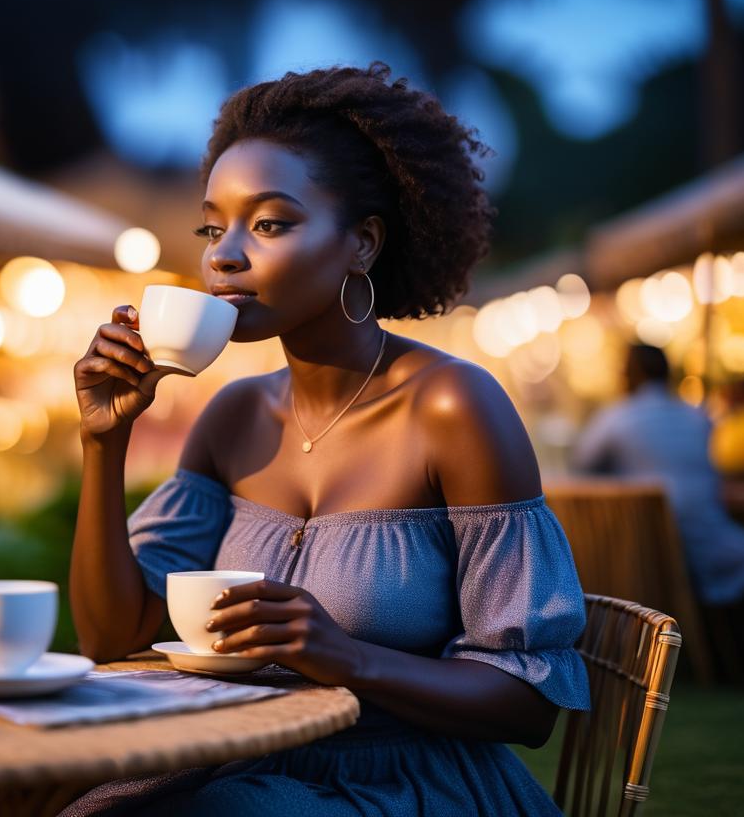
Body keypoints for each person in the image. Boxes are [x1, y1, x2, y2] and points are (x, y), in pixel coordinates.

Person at [66, 63, 590, 816]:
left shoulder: (452, 407)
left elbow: (528, 705)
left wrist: (345, 658)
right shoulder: (232, 419)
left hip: (408, 784)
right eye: (213, 227)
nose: (224, 255)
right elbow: (111, 636)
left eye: (270, 223)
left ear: (362, 245)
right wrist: (103, 443)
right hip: (230, 764)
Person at [572, 343, 744, 607]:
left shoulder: (614, 419)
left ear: (631, 375)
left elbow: (581, 467)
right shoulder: (697, 417)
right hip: (712, 547)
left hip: (647, 564)